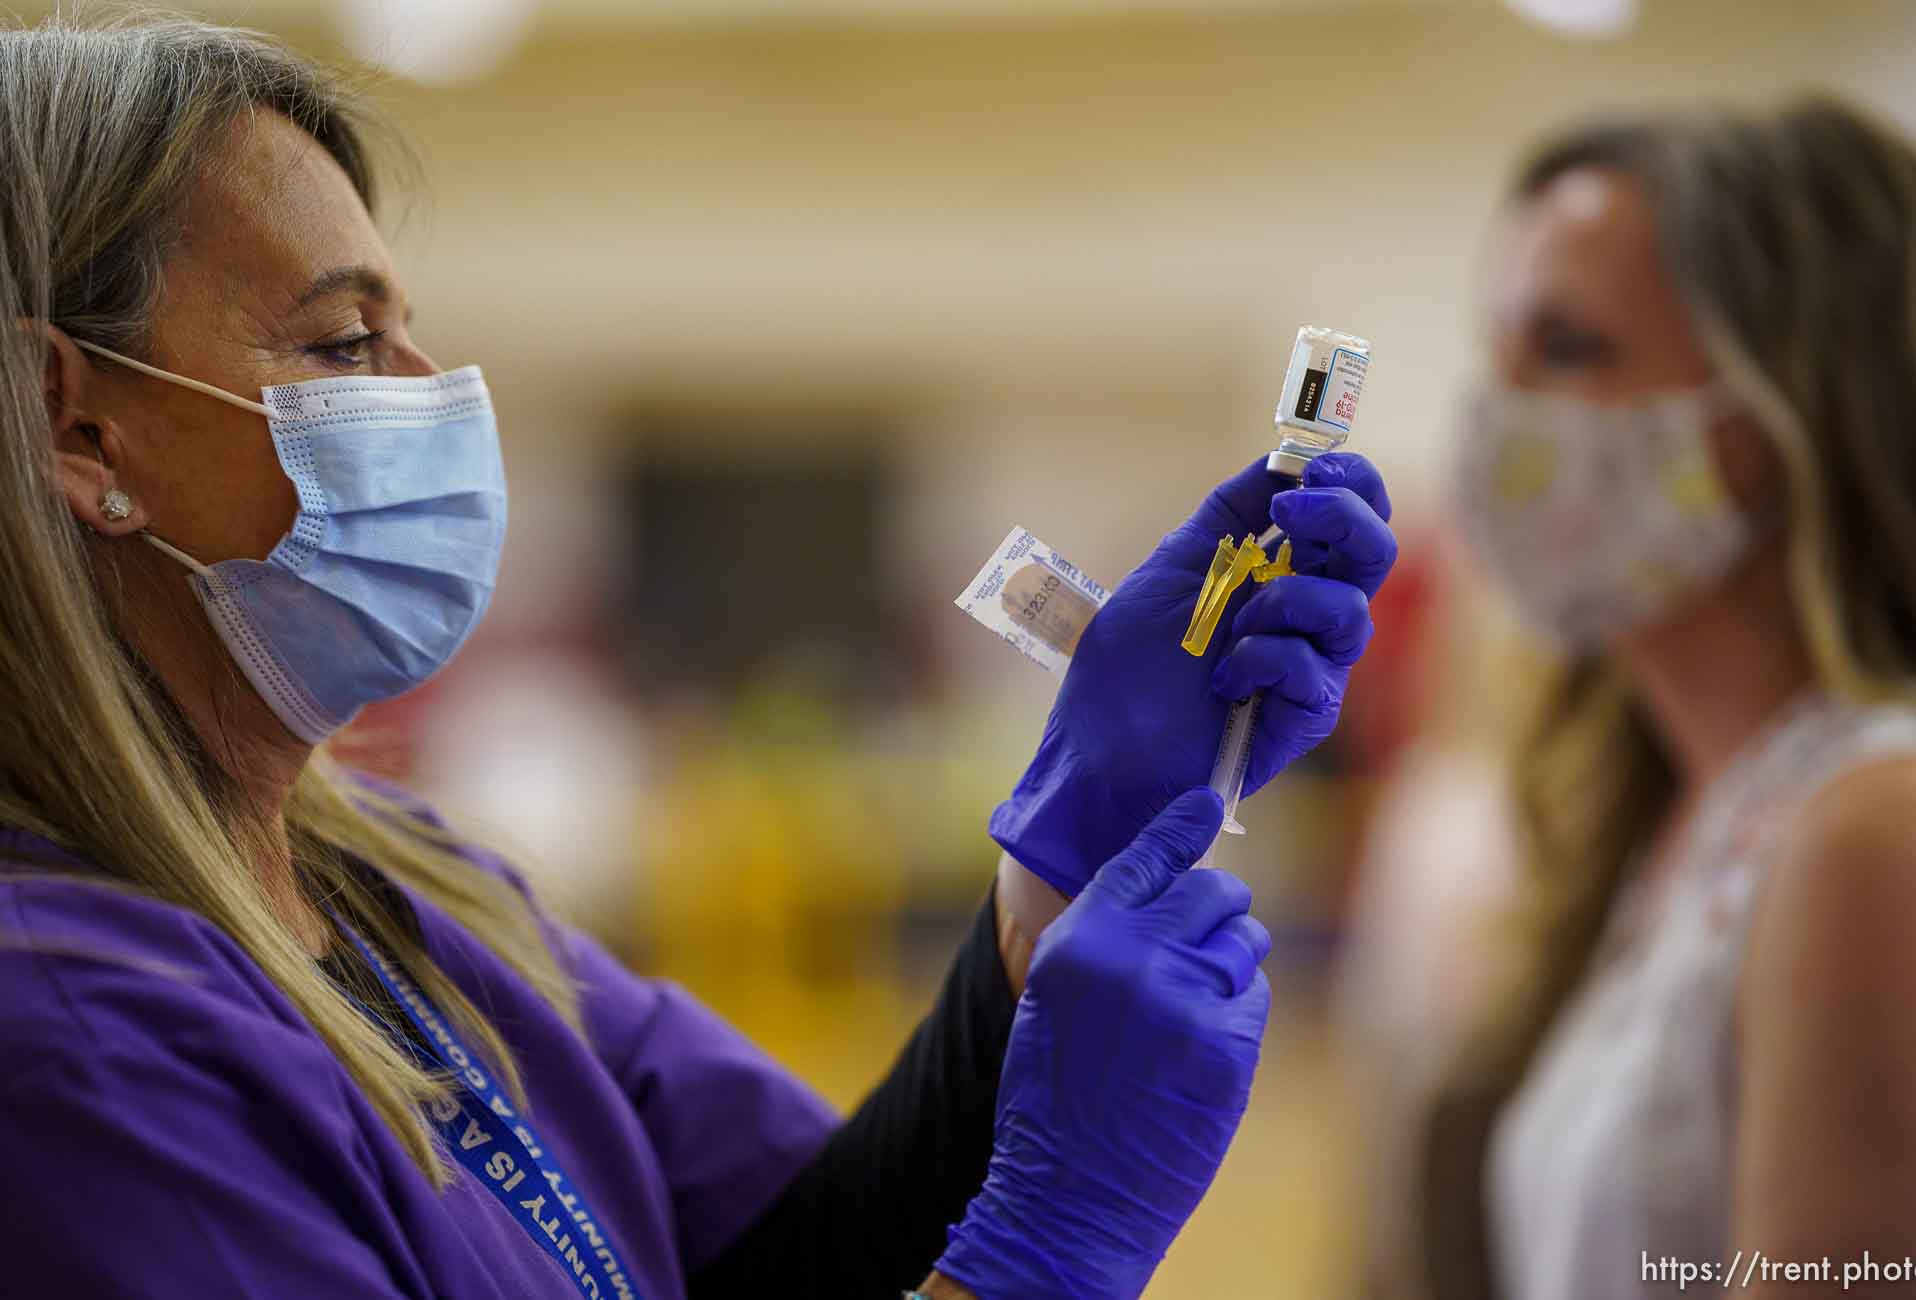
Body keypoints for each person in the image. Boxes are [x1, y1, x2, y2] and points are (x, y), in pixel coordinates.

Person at [0, 15, 1397, 1300]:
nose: (431, 394)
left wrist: (1065, 852)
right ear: (78, 429)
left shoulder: (395, 893)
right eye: (344, 340)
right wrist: (1039, 1257)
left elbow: (794, 1254)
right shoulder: (68, 1048)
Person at [1372, 96, 1916, 1300]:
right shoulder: (1683, 818)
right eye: (1501, 355)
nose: (1496, 419)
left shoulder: (1880, 825)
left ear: (1789, 405)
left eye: (1570, 349)